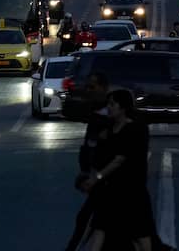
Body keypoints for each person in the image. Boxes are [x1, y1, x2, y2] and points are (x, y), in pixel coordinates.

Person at [79, 89, 157, 251]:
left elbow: (119, 160)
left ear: (123, 107)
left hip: (132, 191)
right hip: (112, 190)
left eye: (112, 104)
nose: (109, 107)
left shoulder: (134, 129)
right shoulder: (109, 129)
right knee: (100, 229)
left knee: (140, 235)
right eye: (108, 104)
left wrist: (96, 178)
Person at [65, 72, 113, 251]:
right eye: (88, 86)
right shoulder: (95, 113)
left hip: (108, 182)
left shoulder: (109, 116)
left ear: (103, 88)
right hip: (98, 180)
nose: (89, 90)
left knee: (90, 223)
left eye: (93, 87)